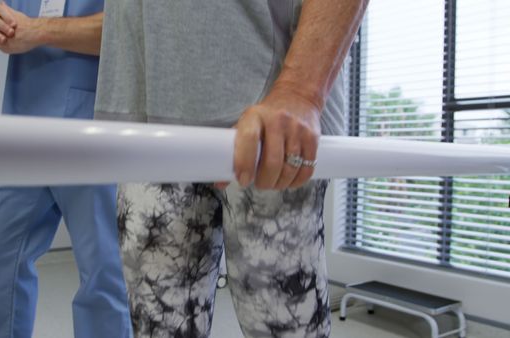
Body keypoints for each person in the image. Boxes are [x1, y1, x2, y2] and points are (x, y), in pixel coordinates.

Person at [95, 0, 368, 337]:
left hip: (263, 117)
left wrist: (301, 90)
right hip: (146, 115)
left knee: (282, 327)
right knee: (158, 329)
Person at [0, 2, 131, 337]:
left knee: (104, 274)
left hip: (95, 125)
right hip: (23, 118)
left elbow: (131, 30)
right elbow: (13, 19)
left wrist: (39, 31)